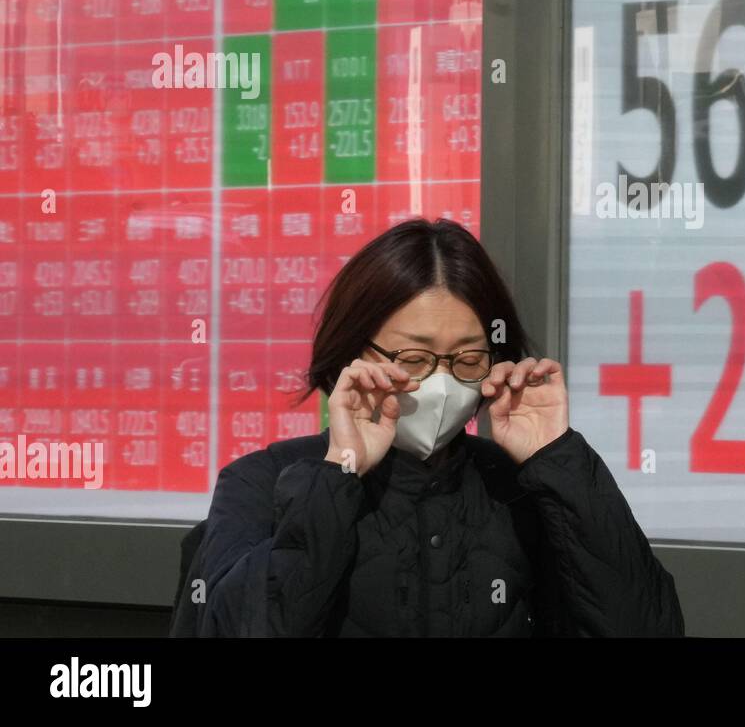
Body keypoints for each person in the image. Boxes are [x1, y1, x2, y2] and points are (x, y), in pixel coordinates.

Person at [169, 217, 685, 637]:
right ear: (352, 355)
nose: (440, 384)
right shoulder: (263, 480)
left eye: (467, 358)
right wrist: (340, 474)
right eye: (413, 358)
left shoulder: (521, 486)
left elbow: (644, 624)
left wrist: (557, 458)